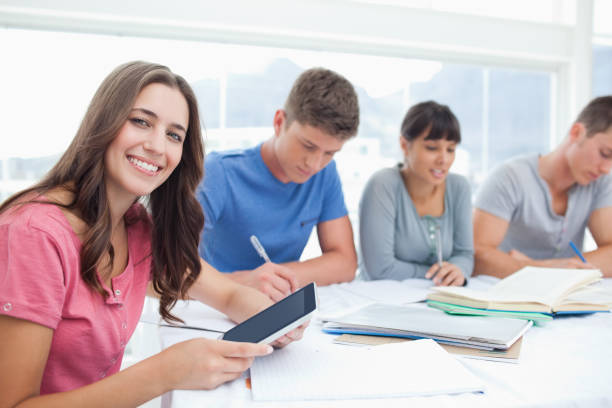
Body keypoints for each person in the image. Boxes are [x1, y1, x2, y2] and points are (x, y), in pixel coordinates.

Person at [0, 61, 304, 407]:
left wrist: (267, 317)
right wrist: (165, 372)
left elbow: (228, 294)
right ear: (104, 123)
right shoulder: (34, 235)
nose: (158, 147)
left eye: (174, 135)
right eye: (141, 122)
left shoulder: (135, 227)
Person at [197, 67, 360, 301]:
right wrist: (244, 283)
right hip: (208, 308)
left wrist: (275, 280)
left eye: (330, 153)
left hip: (277, 304)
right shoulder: (218, 172)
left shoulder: (325, 174)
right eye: (308, 145)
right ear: (279, 122)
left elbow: (344, 264)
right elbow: (168, 273)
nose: (315, 164)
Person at [473, 95, 612, 278]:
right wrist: (553, 269)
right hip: (506, 292)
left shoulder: (599, 181)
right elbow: (477, 255)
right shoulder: (509, 178)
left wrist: (539, 267)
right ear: (577, 133)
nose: (606, 168)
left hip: (564, 296)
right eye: (605, 153)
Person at [359, 101, 473, 286]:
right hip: (381, 298)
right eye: (432, 148)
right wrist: (439, 274)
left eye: (450, 149)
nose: (443, 159)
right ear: (404, 145)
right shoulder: (383, 185)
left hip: (434, 299)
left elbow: (465, 254)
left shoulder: (459, 187)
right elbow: (380, 270)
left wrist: (457, 270)